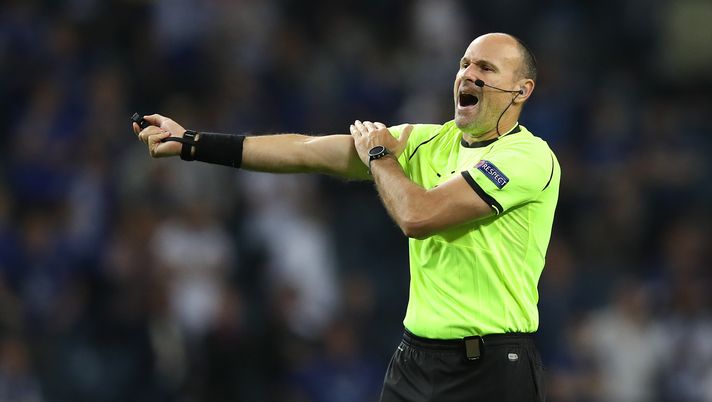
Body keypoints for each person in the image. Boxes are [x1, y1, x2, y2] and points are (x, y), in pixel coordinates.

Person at [134, 32, 559, 402]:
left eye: (486, 68)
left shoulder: (528, 159)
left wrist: (378, 155)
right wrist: (192, 143)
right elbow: (306, 151)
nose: (468, 75)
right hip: (417, 361)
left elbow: (417, 214)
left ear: (522, 90)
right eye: (464, 64)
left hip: (491, 371)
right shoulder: (428, 142)